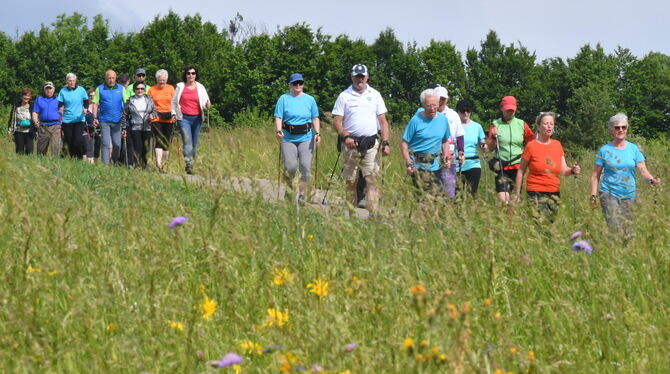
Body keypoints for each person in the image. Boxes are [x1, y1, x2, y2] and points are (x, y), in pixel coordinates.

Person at [332, 64, 391, 214]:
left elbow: (383, 121)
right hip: (351, 143)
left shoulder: (375, 95)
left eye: (362, 76)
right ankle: (352, 215)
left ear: (367, 77)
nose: (360, 79)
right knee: (351, 181)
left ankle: (373, 216)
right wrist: (345, 136)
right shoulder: (344, 96)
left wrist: (385, 142)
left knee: (372, 179)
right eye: (357, 76)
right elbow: (337, 122)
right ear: (352, 77)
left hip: (370, 143)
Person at [590, 112, 660, 238]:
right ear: (611, 130)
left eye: (624, 127)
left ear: (627, 129)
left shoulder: (633, 149)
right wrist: (593, 196)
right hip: (609, 194)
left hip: (629, 195)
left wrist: (651, 181)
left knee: (629, 233)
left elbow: (643, 170)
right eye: (617, 127)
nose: (621, 130)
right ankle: (612, 255)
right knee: (615, 230)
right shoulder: (604, 150)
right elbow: (595, 175)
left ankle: (627, 256)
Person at [514, 112, 580, 222]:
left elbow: (563, 170)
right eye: (546, 123)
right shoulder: (531, 146)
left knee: (550, 225)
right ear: (539, 126)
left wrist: (572, 170)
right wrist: (517, 193)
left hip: (554, 191)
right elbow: (521, 171)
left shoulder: (557, 145)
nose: (549, 126)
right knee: (539, 223)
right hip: (535, 191)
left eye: (552, 124)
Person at [274, 73, 321, 201]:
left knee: (305, 167)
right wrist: (278, 131)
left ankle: (302, 195)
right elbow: (278, 116)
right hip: (288, 137)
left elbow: (315, 118)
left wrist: (317, 133)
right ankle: (289, 190)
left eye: (300, 83)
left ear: (303, 84)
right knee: (291, 167)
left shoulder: (310, 99)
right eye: (295, 83)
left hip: (306, 137)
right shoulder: (283, 99)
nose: (298, 86)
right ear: (290, 85)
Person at [401, 89, 451, 195]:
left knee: (437, 198)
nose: (432, 109)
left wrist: (446, 156)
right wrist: (408, 162)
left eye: (434, 105)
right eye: (429, 106)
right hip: (418, 165)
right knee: (426, 198)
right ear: (423, 105)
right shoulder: (415, 120)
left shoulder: (443, 119)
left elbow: (445, 140)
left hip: (436, 165)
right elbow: (404, 143)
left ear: (438, 104)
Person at [487, 95, 535, 203]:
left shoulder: (521, 124)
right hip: (501, 166)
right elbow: (490, 148)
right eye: (508, 109)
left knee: (514, 199)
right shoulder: (495, 124)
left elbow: (531, 142)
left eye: (512, 110)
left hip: (518, 165)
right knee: (503, 199)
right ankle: (501, 217)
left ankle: (511, 220)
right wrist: (494, 137)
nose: (510, 112)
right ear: (501, 108)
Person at [172, 66, 211, 174]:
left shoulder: (200, 87)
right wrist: (173, 113)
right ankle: (188, 163)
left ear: (196, 75)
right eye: (188, 73)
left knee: (194, 144)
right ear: (185, 75)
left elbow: (206, 102)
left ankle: (191, 162)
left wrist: (208, 105)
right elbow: (174, 102)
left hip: (197, 118)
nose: (191, 75)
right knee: (187, 142)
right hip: (183, 118)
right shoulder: (180, 86)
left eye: (193, 73)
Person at [432, 84, 465, 198]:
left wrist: (461, 151)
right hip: (431, 155)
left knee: (449, 187)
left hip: (449, 154)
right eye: (438, 98)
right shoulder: (428, 113)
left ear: (447, 100)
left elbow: (460, 135)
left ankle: (447, 208)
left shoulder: (453, 115)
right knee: (434, 187)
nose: (441, 101)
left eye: (443, 99)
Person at [92, 70, 126, 165]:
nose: (111, 80)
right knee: (106, 144)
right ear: (105, 78)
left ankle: (114, 161)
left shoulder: (121, 88)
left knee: (117, 144)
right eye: (109, 78)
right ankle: (105, 165)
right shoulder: (100, 88)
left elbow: (127, 102)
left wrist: (126, 112)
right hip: (104, 120)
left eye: (113, 78)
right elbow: (95, 103)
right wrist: (95, 117)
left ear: (116, 78)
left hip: (117, 120)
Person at [123, 82, 157, 169]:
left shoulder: (149, 99)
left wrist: (152, 115)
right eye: (138, 89)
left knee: (146, 147)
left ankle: (146, 164)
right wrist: (124, 127)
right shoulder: (130, 100)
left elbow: (154, 111)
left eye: (142, 88)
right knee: (138, 146)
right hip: (135, 126)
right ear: (134, 90)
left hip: (147, 126)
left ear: (144, 90)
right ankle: (138, 164)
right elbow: (124, 114)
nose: (140, 90)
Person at [456, 99, 486, 196]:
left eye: (468, 110)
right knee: (457, 195)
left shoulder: (477, 126)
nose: (465, 113)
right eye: (462, 110)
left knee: (472, 193)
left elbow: (482, 141)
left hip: (473, 163)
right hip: (456, 163)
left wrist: (483, 145)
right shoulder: (453, 126)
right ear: (457, 112)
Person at [148, 69, 176, 172]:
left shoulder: (171, 88)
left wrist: (174, 114)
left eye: (164, 80)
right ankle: (158, 164)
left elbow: (174, 103)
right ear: (157, 79)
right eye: (160, 80)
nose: (162, 82)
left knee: (166, 142)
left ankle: (164, 164)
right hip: (157, 117)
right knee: (159, 140)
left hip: (169, 117)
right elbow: (149, 105)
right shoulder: (152, 90)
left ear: (166, 79)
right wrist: (150, 115)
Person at [58, 73, 89, 159]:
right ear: (67, 81)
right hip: (67, 120)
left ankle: (79, 158)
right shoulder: (63, 91)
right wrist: (60, 108)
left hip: (79, 119)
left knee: (78, 141)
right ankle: (73, 158)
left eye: (73, 81)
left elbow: (86, 102)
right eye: (70, 81)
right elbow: (60, 103)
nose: (71, 82)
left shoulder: (81, 90)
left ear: (75, 81)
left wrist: (85, 108)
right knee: (70, 141)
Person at [33, 82, 62, 156]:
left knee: (56, 147)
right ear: (44, 90)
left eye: (50, 88)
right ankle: (40, 165)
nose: (48, 90)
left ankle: (56, 164)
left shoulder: (59, 99)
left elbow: (63, 112)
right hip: (43, 126)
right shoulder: (39, 99)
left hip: (56, 126)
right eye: (47, 89)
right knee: (41, 150)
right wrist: (35, 121)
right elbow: (35, 112)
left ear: (54, 89)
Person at [7, 88, 35, 154]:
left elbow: (36, 118)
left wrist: (36, 130)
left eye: (28, 96)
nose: (26, 97)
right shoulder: (16, 105)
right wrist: (10, 129)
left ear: (30, 97)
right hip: (18, 131)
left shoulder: (32, 106)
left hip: (29, 132)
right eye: (25, 95)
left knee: (30, 151)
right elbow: (12, 118)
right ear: (22, 96)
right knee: (19, 152)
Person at [83, 88, 101, 163]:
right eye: (90, 96)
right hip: (87, 129)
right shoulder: (84, 107)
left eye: (94, 95)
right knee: (88, 147)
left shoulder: (100, 106)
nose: (92, 97)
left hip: (98, 129)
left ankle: (95, 166)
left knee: (97, 149)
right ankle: (89, 164)